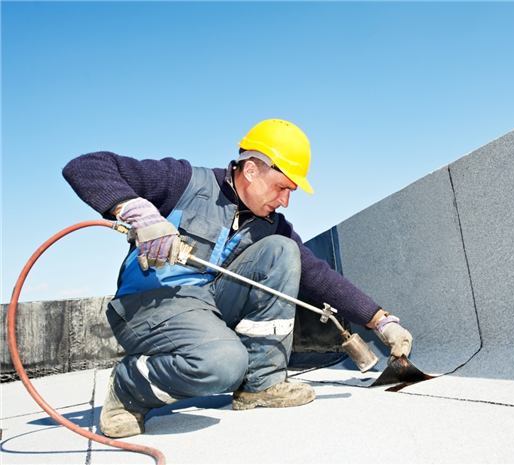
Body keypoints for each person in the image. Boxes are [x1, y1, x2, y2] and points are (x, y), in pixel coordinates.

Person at [62, 119, 413, 438]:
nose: (285, 201)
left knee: (282, 251)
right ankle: (128, 387)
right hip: (150, 304)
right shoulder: (184, 181)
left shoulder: (270, 224)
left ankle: (260, 384)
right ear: (250, 170)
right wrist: (137, 211)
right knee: (223, 365)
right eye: (281, 187)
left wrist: (381, 321)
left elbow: (318, 276)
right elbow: (85, 166)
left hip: (206, 305)